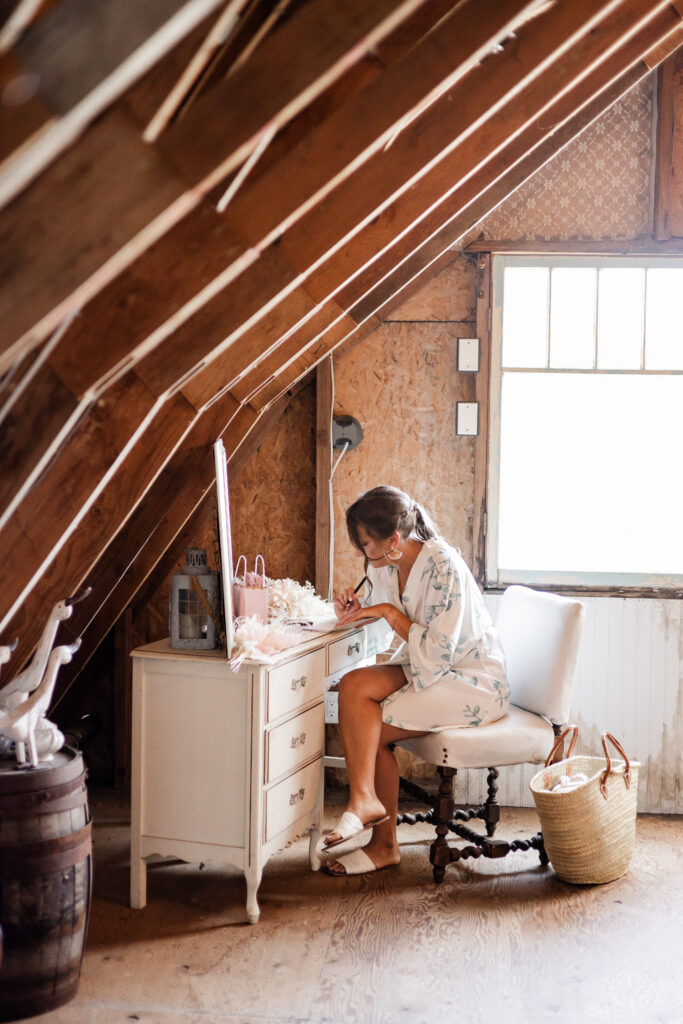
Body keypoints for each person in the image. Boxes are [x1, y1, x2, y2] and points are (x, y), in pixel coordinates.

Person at [319, 485, 510, 877]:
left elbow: (438, 650)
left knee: (368, 726)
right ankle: (364, 799)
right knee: (354, 688)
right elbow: (392, 629)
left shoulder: (444, 567)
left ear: (393, 539)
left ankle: (383, 843)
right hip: (430, 666)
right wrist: (361, 611)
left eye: (365, 543)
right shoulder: (386, 563)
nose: (361, 553)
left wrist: (387, 611)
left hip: (472, 679)